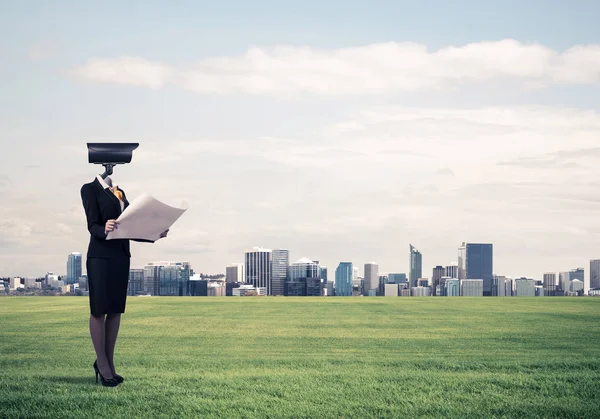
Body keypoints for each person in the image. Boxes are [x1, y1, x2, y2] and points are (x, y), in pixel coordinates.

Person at [81, 174, 168, 386]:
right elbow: (92, 225)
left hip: (121, 256)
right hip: (100, 257)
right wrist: (105, 228)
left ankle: (109, 363)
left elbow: (131, 227)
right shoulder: (89, 188)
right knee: (98, 310)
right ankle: (101, 363)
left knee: (115, 310)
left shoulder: (121, 193)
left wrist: (155, 234)